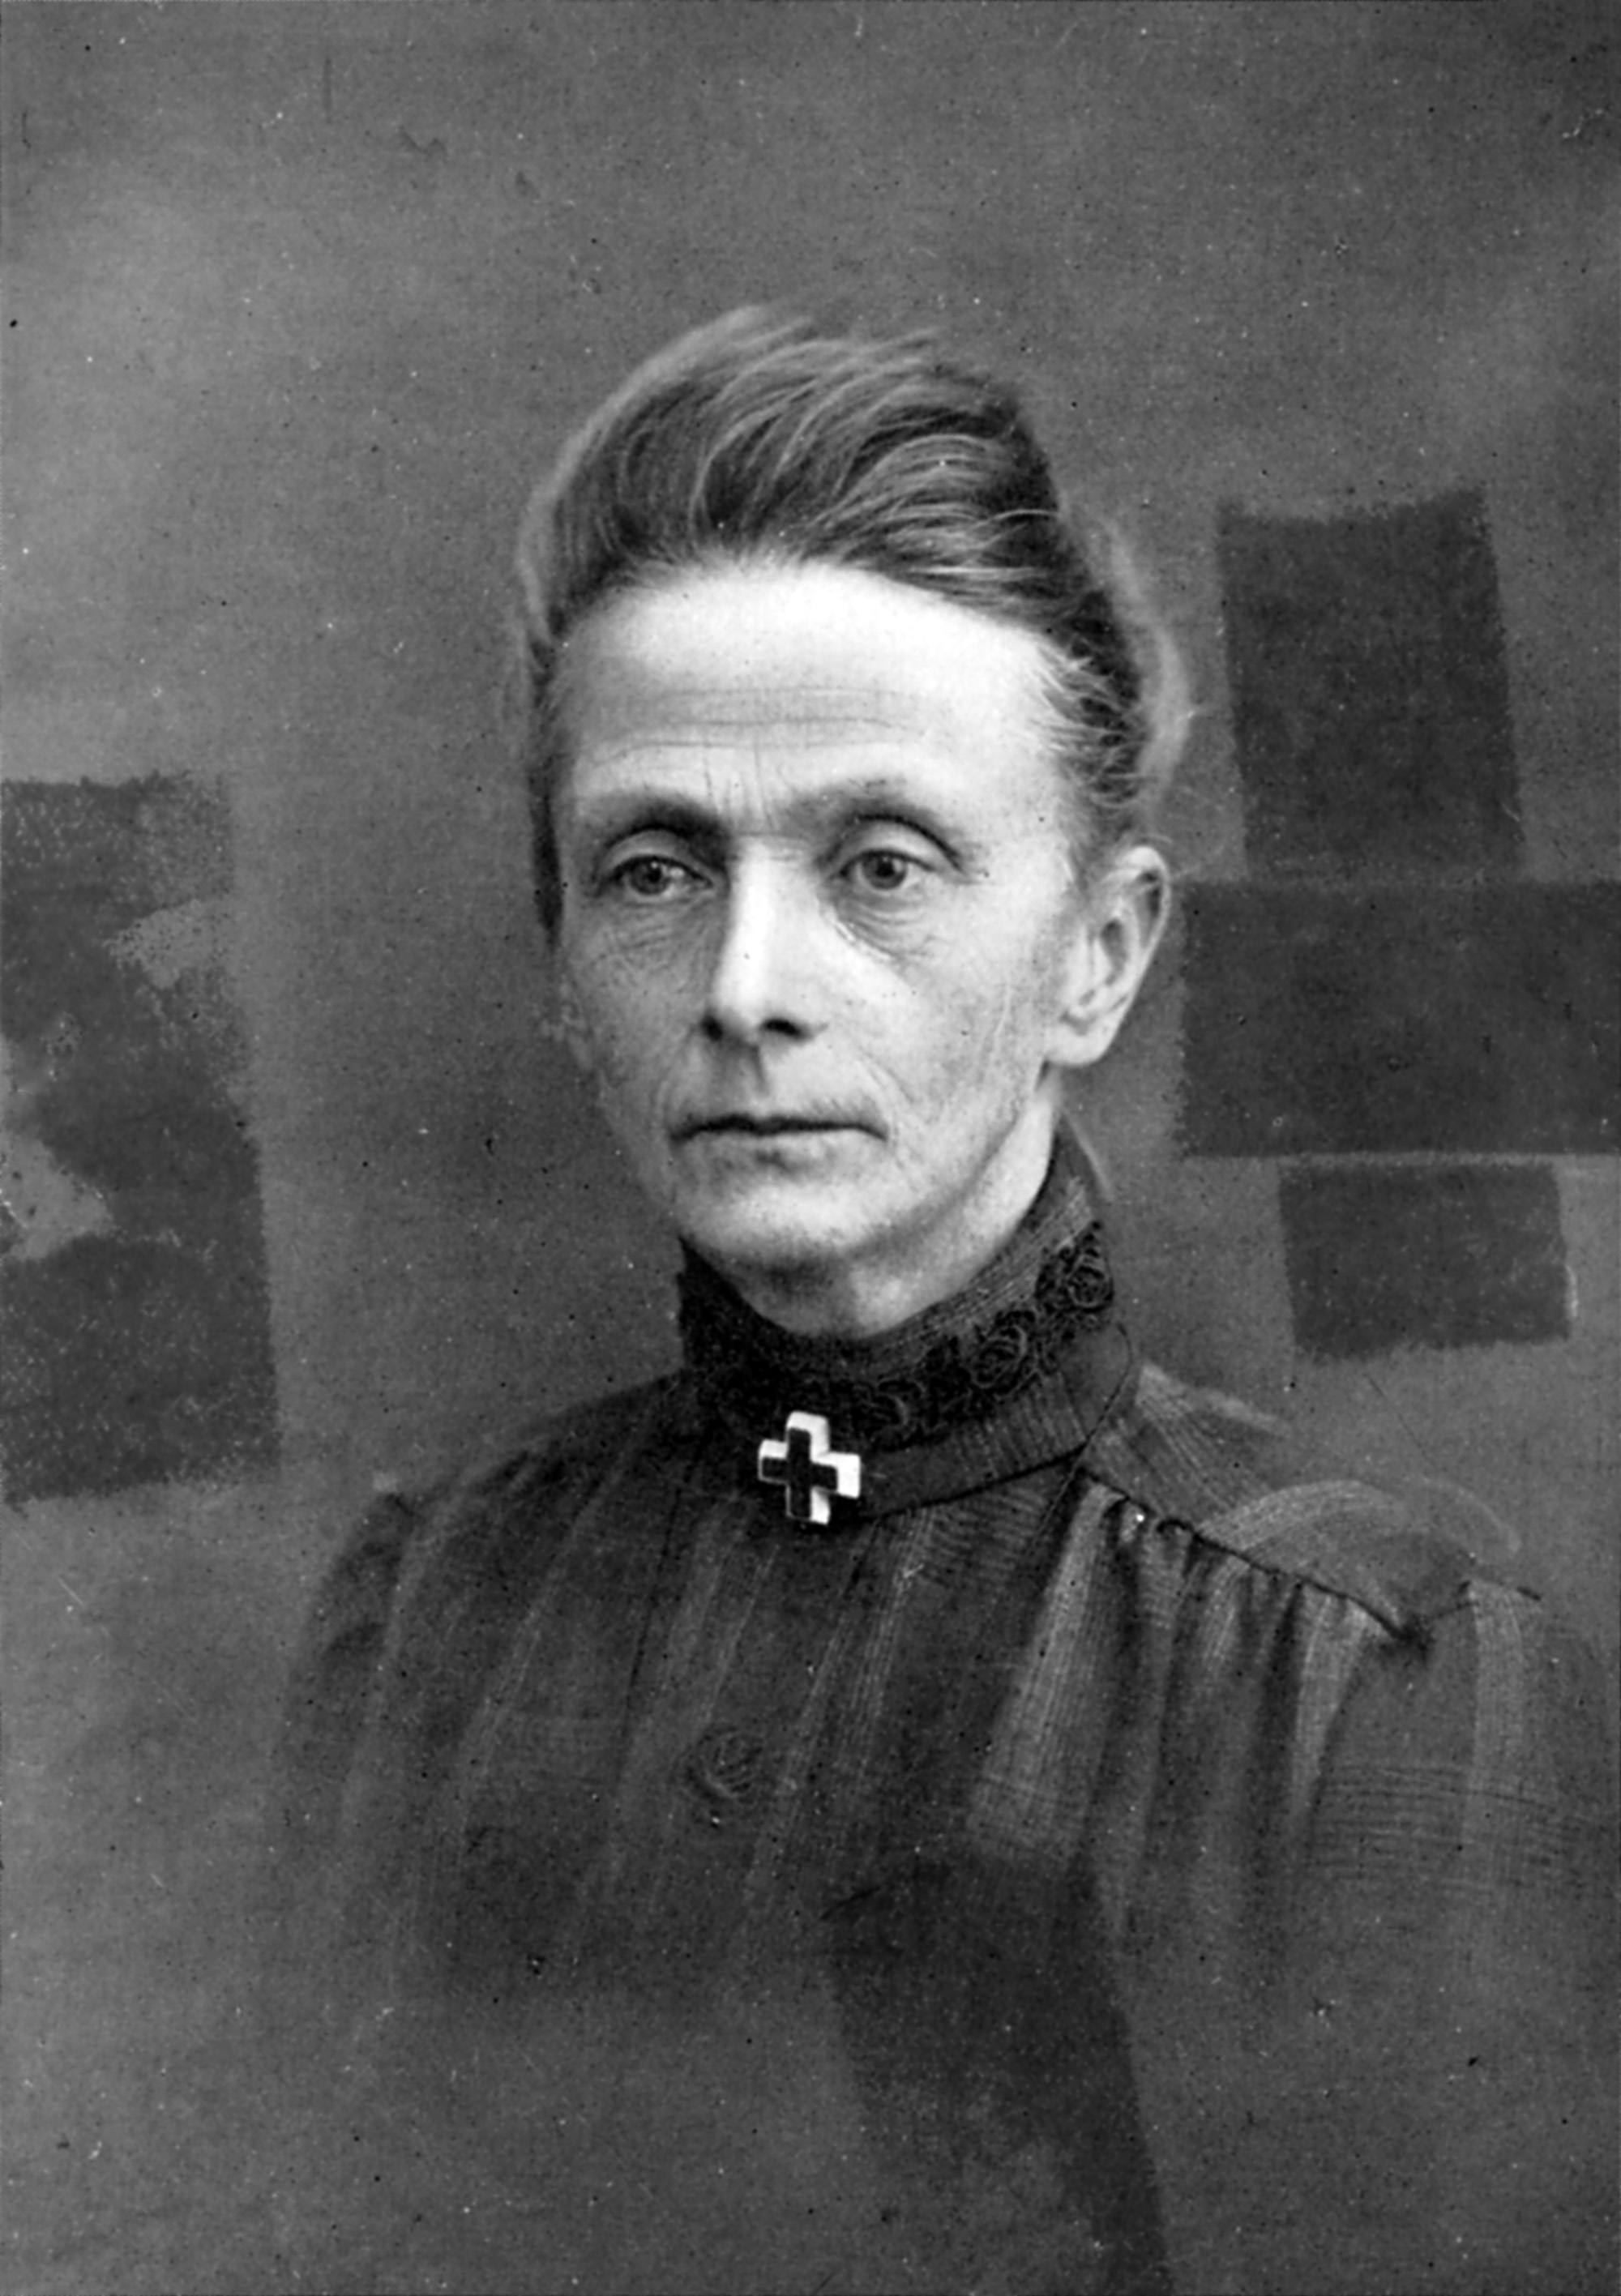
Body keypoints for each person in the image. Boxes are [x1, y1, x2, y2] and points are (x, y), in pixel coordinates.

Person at [267, 311, 1615, 2296]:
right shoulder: (432, 1607)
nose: (747, 987)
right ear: (558, 966)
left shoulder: (1363, 1673)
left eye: (881, 866)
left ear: (1097, 955)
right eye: (653, 870)